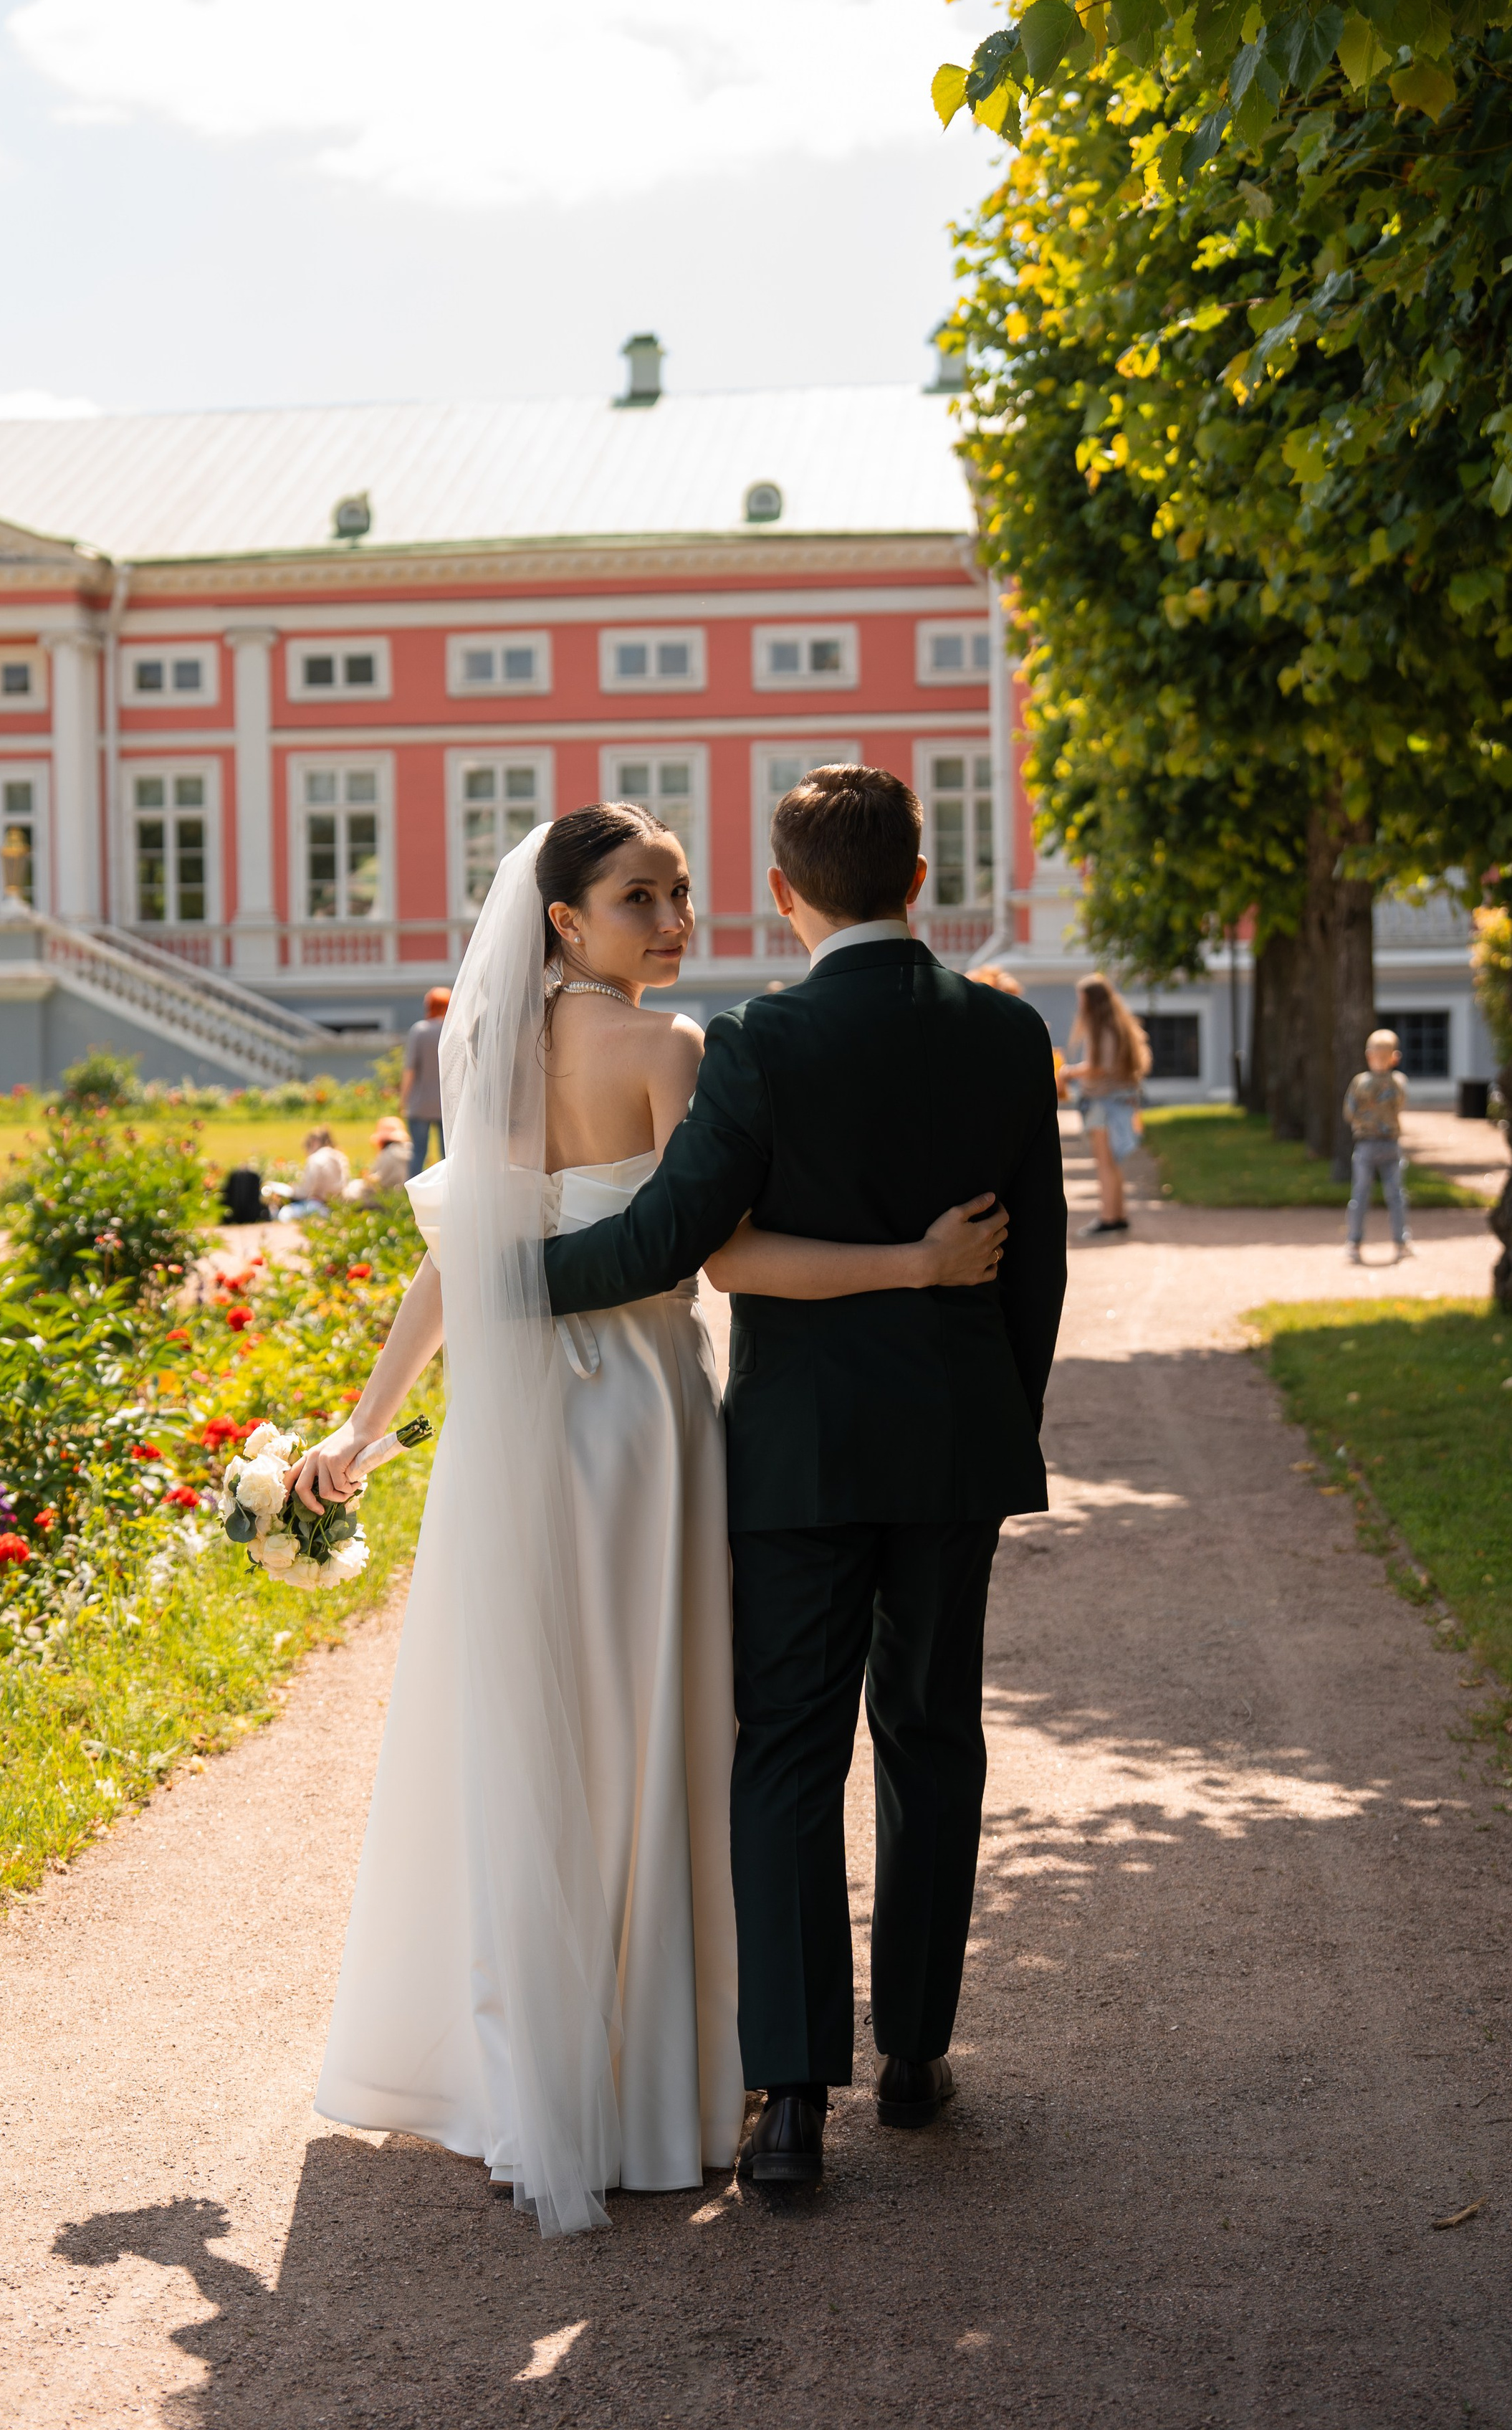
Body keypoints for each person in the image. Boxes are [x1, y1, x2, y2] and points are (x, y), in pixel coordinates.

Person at [287, 802, 1012, 2234]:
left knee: (541, 1731)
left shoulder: (484, 1048)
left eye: (678, 893)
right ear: (561, 919)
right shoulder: (673, 1048)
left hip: (512, 1426)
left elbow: (466, 1262)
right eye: (638, 900)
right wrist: (913, 1267)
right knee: (660, 1728)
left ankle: (544, 2074)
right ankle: (658, 2077)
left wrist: (367, 1426)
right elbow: (716, 1252)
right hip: (634, 1417)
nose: (672, 923)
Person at [539, 766, 1066, 2189]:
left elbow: (665, 1238)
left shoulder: (760, 1039)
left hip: (798, 1454)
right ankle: (912, 2057)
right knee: (930, 1737)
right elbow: (1041, 1273)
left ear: (782, 894)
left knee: (783, 1751)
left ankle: (786, 2107)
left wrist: (507, 1272)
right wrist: (992, 1426)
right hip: (954, 1444)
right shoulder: (1012, 1035)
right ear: (917, 878)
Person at [1062, 973, 1152, 1239]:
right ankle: (1118, 1215)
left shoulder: (1104, 1028)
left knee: (1105, 1163)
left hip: (1105, 1104)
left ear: (1092, 1000)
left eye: (1082, 999)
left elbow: (1100, 1068)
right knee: (1112, 1163)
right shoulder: (1117, 1025)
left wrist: (1068, 1073)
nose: (1080, 1005)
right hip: (1117, 1100)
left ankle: (1109, 1218)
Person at [1344, 1027, 1413, 1264]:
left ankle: (1354, 1242)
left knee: (1360, 1195)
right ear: (1396, 1057)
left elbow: (1349, 1112)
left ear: (1368, 1054)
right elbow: (1401, 1105)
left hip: (1365, 1146)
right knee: (1396, 1195)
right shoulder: (1398, 1083)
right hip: (1391, 1145)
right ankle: (1401, 1242)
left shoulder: (1359, 1083)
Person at [401, 987, 449, 1176]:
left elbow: (410, 1070)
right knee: (448, 1155)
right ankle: (449, 1192)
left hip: (420, 1104)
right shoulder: (453, 1029)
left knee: (418, 1152)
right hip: (446, 1104)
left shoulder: (419, 1031)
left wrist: (404, 1100)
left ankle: (411, 1194)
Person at [272, 1125, 350, 1222]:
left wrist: (293, 1190)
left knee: (285, 1213)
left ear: (314, 1143)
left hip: (320, 1205)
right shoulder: (340, 1157)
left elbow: (306, 1192)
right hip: (340, 1206)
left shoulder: (315, 1159)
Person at [342, 1115, 412, 1204]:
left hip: (387, 1198)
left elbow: (377, 1182)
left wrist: (367, 1178)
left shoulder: (387, 1154)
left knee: (352, 1189)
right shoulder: (411, 1151)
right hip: (407, 1196)